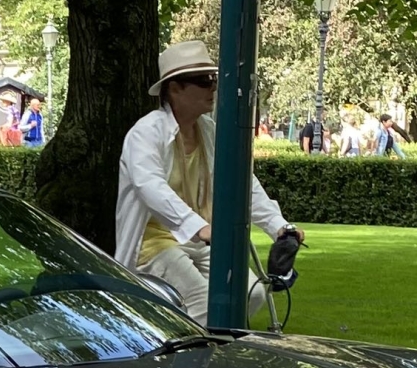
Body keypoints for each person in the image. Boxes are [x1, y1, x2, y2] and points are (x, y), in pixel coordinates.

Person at [117, 38, 299, 325]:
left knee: (250, 294)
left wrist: (279, 226)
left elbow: (243, 185)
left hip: (199, 240)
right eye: (203, 80)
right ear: (174, 88)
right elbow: (149, 186)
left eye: (213, 78)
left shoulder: (209, 132)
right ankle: (189, 364)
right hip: (154, 244)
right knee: (202, 303)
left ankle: (203, 355)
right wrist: (198, 226)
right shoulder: (146, 133)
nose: (213, 86)